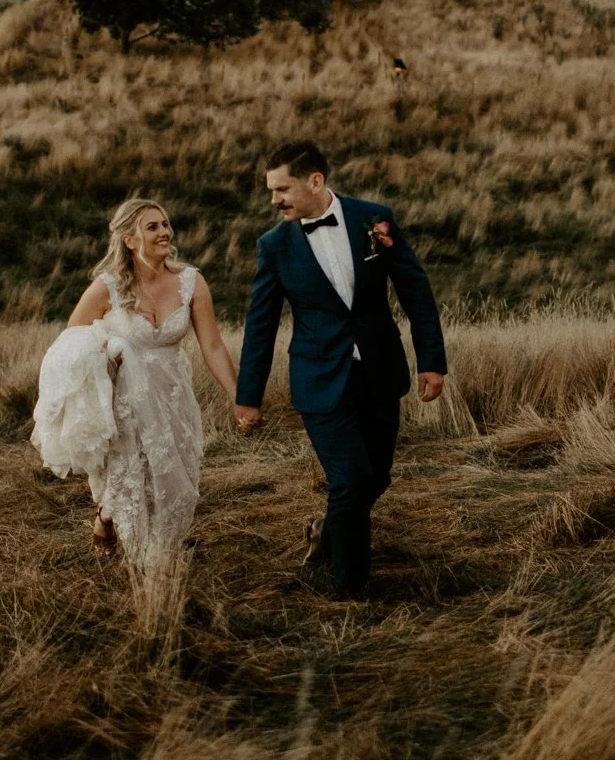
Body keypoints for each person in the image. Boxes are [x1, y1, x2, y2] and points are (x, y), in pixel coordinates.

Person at [233, 142, 448, 599]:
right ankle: (351, 590)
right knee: (349, 480)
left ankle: (326, 530)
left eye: (282, 189)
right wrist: (248, 397)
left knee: (376, 477)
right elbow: (260, 325)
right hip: (318, 379)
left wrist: (431, 360)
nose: (274, 200)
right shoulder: (273, 247)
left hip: (379, 370)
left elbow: (414, 287)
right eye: (271, 190)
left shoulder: (374, 220)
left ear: (315, 181)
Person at [32, 198, 238, 567]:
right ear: (129, 239)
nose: (164, 232)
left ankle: (114, 520)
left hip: (172, 393)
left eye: (165, 224)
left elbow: (212, 346)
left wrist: (238, 397)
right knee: (132, 473)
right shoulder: (107, 287)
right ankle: (149, 561)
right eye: (152, 227)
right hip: (124, 398)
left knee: (175, 475)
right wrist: (108, 351)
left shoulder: (191, 281)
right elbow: (71, 344)